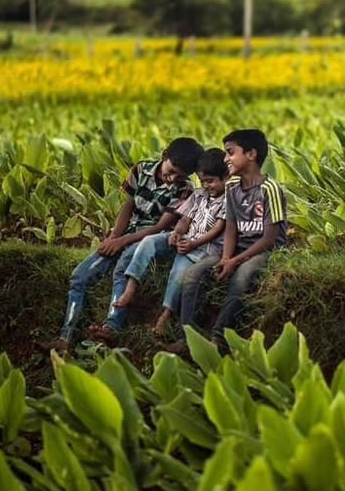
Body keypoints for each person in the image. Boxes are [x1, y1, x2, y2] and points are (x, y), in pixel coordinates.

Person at [42, 137, 204, 354]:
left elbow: (158, 228)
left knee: (122, 270)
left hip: (147, 239)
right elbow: (128, 206)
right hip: (125, 234)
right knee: (79, 276)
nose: (173, 178)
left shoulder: (185, 189)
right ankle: (66, 336)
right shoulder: (141, 169)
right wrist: (114, 236)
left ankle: (111, 328)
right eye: (172, 170)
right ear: (165, 155)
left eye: (180, 176)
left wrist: (122, 241)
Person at [171, 129, 288, 353]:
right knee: (193, 274)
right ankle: (187, 339)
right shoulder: (233, 185)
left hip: (265, 249)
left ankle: (219, 336)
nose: (225, 159)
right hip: (237, 248)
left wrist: (235, 261)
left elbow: (269, 239)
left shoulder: (270, 189)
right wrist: (225, 257)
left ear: (251, 154)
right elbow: (231, 226)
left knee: (242, 278)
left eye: (230, 153)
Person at [93, 148, 228, 340]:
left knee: (178, 273)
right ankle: (131, 286)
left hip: (203, 248)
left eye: (211, 181)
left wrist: (192, 242)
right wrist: (177, 233)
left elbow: (218, 229)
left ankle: (165, 313)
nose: (206, 185)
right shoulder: (198, 195)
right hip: (185, 240)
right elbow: (184, 219)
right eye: (203, 181)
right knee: (148, 241)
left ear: (226, 177)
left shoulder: (229, 199)